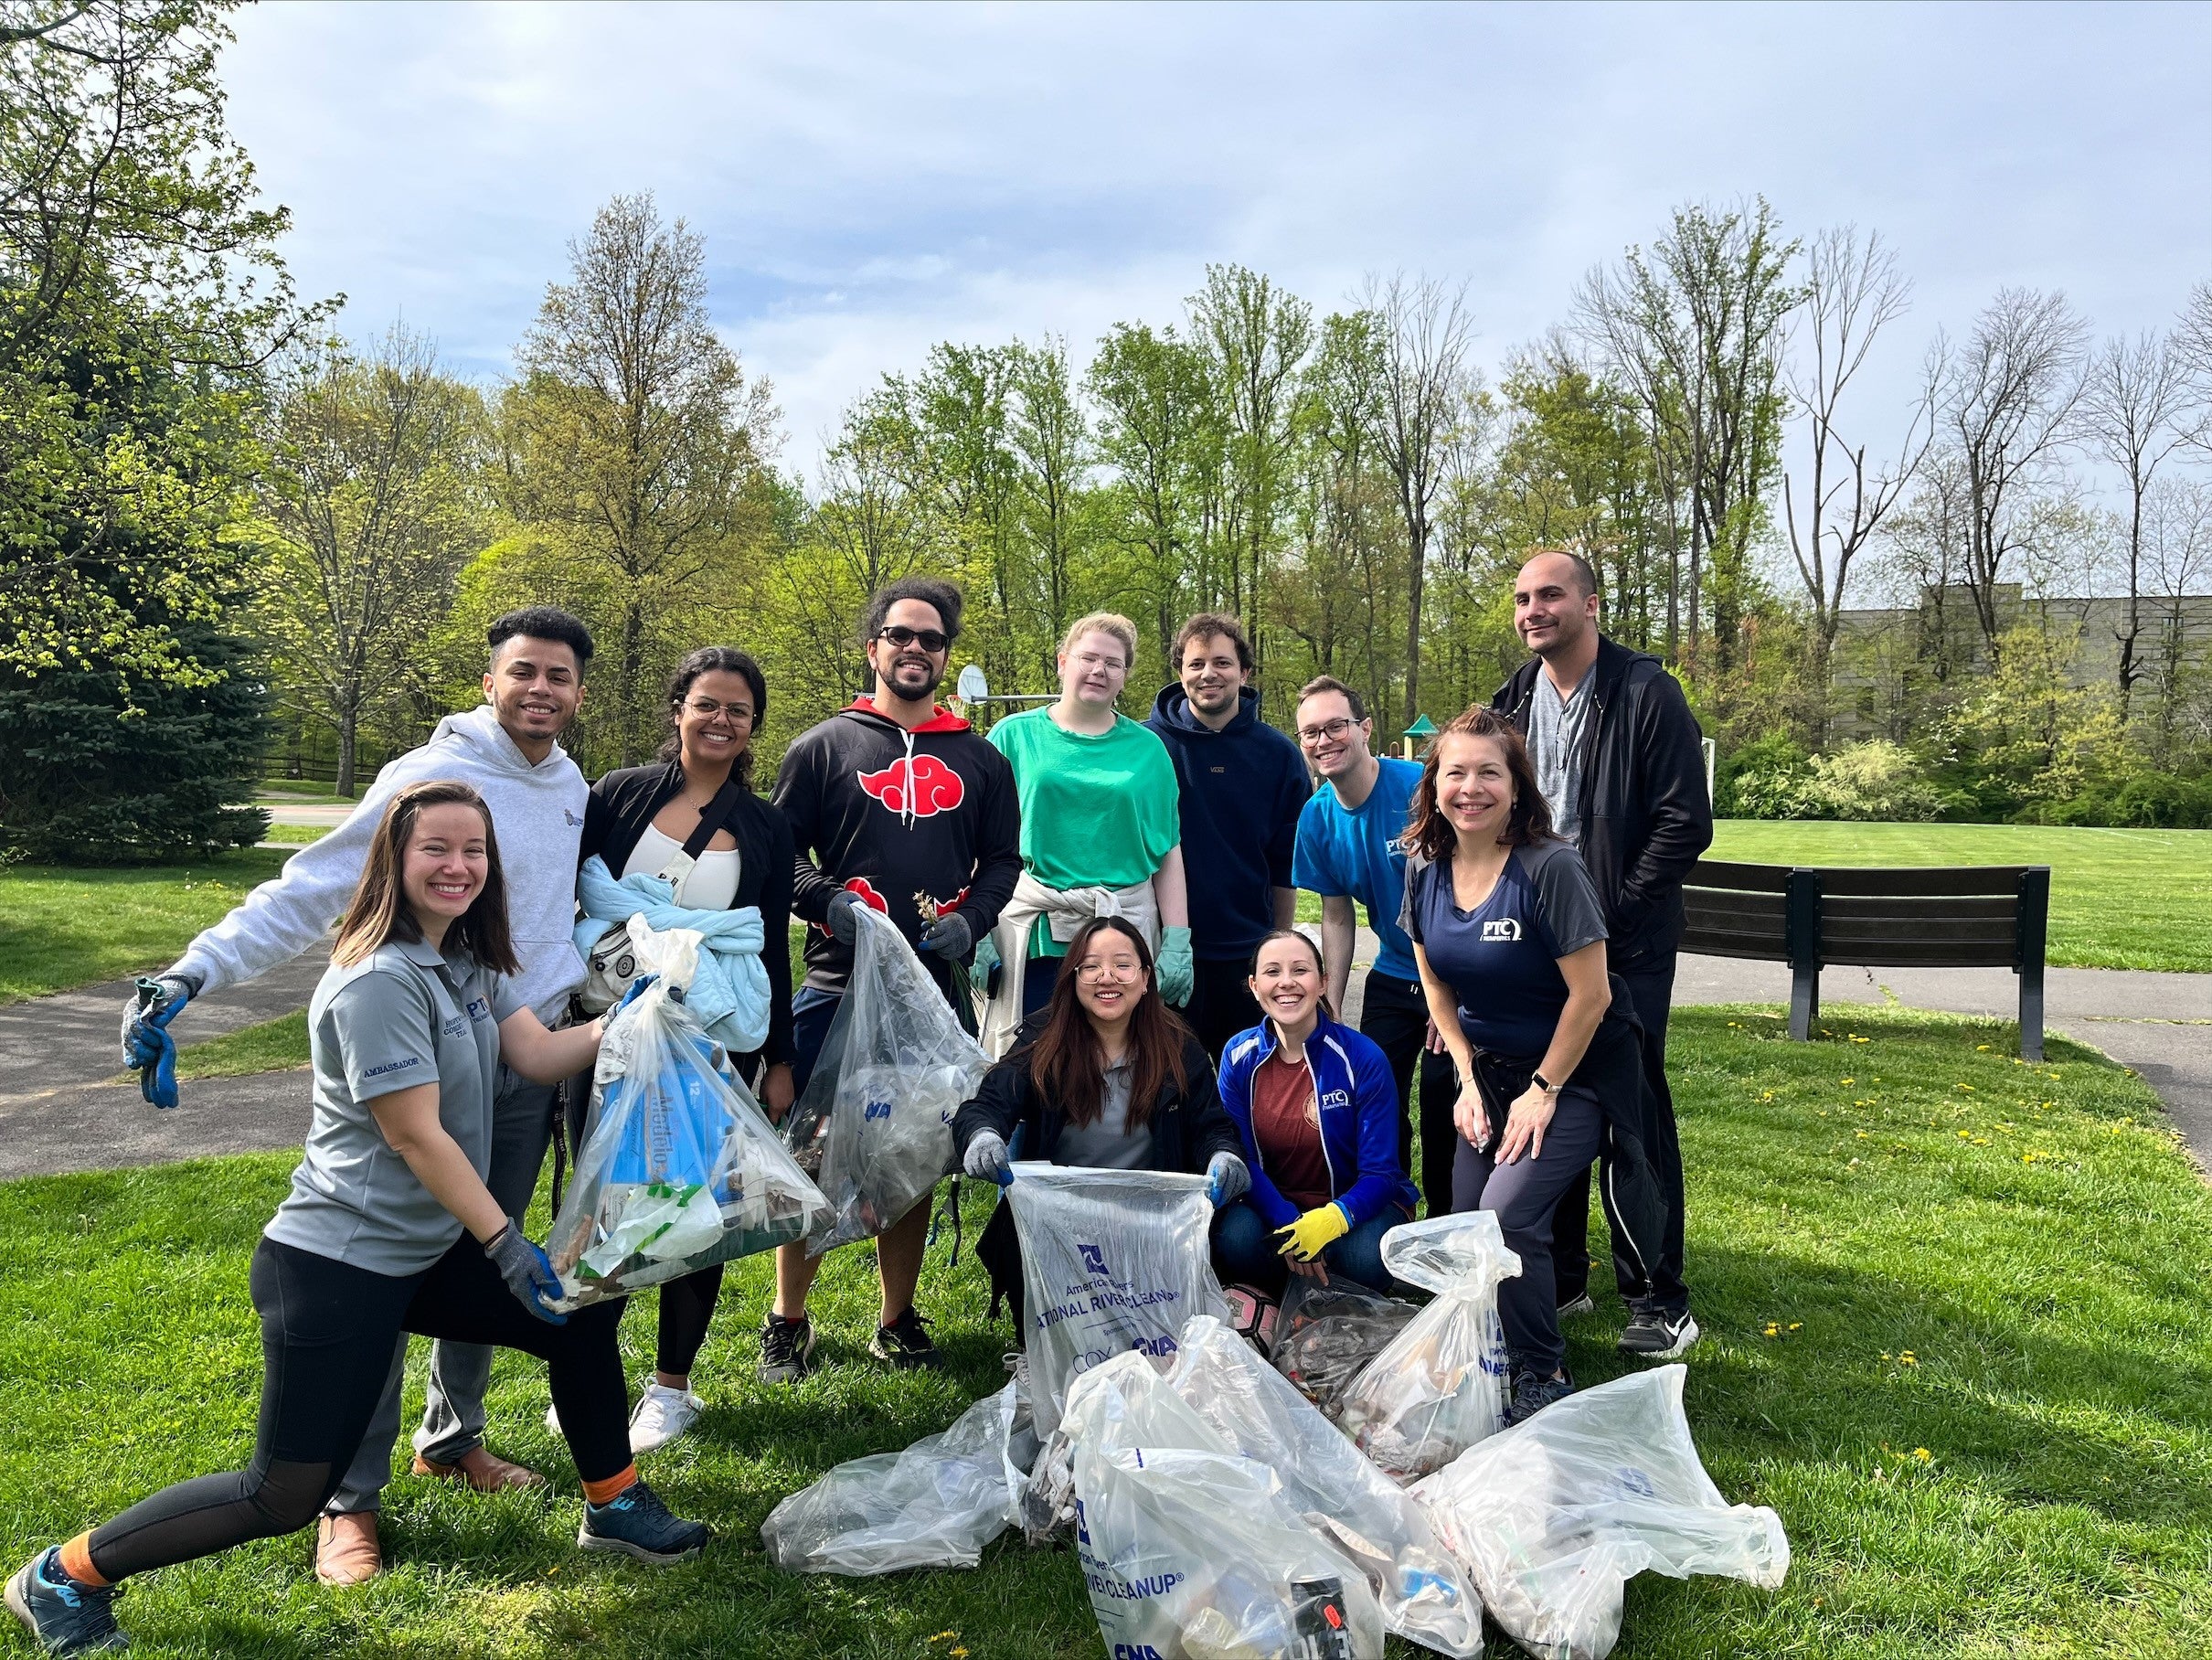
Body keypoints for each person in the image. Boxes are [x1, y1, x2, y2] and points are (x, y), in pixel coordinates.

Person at [12, 782, 710, 1656]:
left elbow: (531, 1053)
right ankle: (60, 1578)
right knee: (282, 1495)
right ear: (395, 859)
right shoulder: (378, 979)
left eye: (475, 851)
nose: (459, 866)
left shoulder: (461, 960)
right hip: (338, 1264)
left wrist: (635, 1017)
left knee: (573, 1314)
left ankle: (613, 1504)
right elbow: (416, 1136)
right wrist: (502, 1241)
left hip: (416, 1253)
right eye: (437, 850)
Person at [118, 607, 597, 1583]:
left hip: (521, 1046)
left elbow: (549, 918)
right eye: (523, 672)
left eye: (558, 675)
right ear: (489, 678)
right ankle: (350, 1498)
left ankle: (454, 1436)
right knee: (384, 1266)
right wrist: (195, 971)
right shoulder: (422, 780)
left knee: (485, 1269)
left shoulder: (569, 785)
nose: (540, 689)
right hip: (426, 1049)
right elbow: (309, 887)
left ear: (578, 691)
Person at [764, 576, 1023, 1381]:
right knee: (812, 1152)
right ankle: (787, 1318)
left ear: (947, 655)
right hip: (837, 984)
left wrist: (973, 921)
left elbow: (1005, 861)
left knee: (910, 1154)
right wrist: (826, 901)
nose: (915, 649)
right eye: (900, 635)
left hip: (931, 995)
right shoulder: (822, 747)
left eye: (931, 639)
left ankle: (896, 1316)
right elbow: (780, 860)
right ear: (872, 646)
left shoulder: (978, 758)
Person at [1402, 708, 1661, 1425]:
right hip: (1488, 1072)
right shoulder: (1423, 868)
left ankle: (1542, 1369)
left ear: (1517, 787)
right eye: (1456, 772)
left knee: (1506, 1219)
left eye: (1490, 772)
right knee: (1464, 1225)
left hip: (1573, 1073)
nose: (1471, 787)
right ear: (1434, 785)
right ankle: (1480, 1352)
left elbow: (1593, 994)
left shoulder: (1551, 867)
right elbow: (1435, 985)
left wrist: (1543, 1091)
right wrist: (1464, 1076)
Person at [1491, 549, 1712, 1358]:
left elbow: (1685, 822)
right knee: (1550, 1098)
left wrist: (1604, 923)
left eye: (1549, 594)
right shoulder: (1512, 699)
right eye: (1521, 598)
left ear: (1590, 601)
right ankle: (1566, 1278)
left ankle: (1659, 1296)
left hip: (1626, 946)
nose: (1532, 609)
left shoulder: (1646, 692)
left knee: (1630, 1114)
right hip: (1538, 947)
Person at [574, 646, 794, 1451]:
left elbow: (769, 946)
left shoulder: (766, 825)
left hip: (707, 1047)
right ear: (678, 709)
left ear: (752, 728)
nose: (722, 720)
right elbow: (579, 902)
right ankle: (587, 1366)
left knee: (692, 1214)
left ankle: (672, 1386)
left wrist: (778, 1057)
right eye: (707, 704)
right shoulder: (620, 795)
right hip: (606, 1038)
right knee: (604, 1201)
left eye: (738, 710)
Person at [952, 916, 1250, 1314]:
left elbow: (1212, 1126)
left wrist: (1223, 1156)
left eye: (1123, 965)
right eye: (1090, 966)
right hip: (1060, 1220)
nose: (1106, 977)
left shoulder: (1179, 1047)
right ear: (1073, 979)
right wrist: (982, 1135)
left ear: (1146, 978)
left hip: (1152, 1221)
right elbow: (986, 1105)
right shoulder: (1043, 1039)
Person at [978, 613, 1189, 1053]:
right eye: (1087, 657)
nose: (1099, 670)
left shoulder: (1149, 750)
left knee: (1119, 1065)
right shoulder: (1012, 736)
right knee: (1030, 1066)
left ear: (1125, 675)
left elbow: (1168, 851)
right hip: (1036, 932)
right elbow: (976, 841)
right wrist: (977, 926)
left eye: (1113, 663)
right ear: (1061, 662)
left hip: (1124, 929)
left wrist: (1177, 940)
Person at [1291, 675, 1457, 1217]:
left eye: (1335, 726)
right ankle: (1393, 1213)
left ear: (1364, 730)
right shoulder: (1316, 818)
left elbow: (1471, 888)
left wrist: (1451, 993)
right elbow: (1337, 917)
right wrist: (1330, 999)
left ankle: (1448, 1222)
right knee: (1377, 1098)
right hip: (1391, 975)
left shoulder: (1421, 790)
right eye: (1311, 732)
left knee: (1441, 1099)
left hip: (1453, 973)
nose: (1324, 740)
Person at [1213, 930, 1416, 1297]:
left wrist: (1331, 1220)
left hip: (1355, 1207)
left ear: (1323, 983)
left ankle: (1319, 1284)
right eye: (1272, 972)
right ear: (1254, 986)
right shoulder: (1237, 1055)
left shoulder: (1362, 1057)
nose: (1286, 982)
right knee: (1234, 1238)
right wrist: (1289, 1223)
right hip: (1277, 1205)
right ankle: (1297, 1289)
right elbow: (1241, 1158)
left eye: (1300, 970)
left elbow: (1383, 1172)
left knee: (1363, 1257)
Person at [1145, 612, 1309, 1059]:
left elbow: (1284, 864)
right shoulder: (1146, 748)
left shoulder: (1278, 755)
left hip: (1246, 952)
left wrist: (1276, 947)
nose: (1208, 674)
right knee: (1171, 1088)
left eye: (1221, 662)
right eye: (1196, 664)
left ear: (1244, 672)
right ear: (1180, 673)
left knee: (1249, 1086)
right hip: (1164, 950)